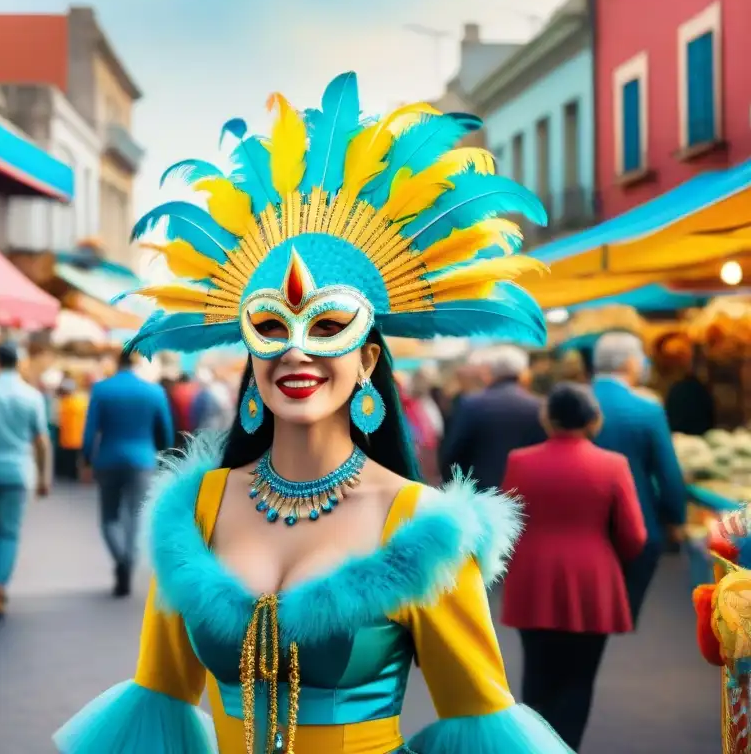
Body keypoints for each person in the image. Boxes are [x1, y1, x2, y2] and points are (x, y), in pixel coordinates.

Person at [52, 73, 570, 753]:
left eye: (327, 328)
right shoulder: (196, 509)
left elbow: (481, 723)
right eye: (271, 326)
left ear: (368, 365)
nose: (297, 351)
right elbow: (158, 698)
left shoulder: (421, 529)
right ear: (249, 353)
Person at [500, 383, 647, 750]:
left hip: (533, 579)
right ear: (592, 419)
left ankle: (537, 745)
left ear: (548, 419)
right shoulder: (613, 465)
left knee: (537, 676)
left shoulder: (520, 460)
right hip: (593, 580)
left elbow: (506, 521)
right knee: (579, 679)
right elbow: (635, 535)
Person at [591, 332, 687, 626]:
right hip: (636, 518)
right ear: (631, 362)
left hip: (577, 521)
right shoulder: (647, 409)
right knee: (622, 605)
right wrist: (675, 518)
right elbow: (667, 471)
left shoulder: (568, 405)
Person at [0, 341, 52, 619]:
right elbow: (41, 441)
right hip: (18, 472)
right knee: (8, 531)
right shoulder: (32, 396)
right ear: (18, 362)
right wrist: (43, 476)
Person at [83, 350, 174, 597]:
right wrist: (164, 457)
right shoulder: (154, 391)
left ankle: (120, 558)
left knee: (109, 518)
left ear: (116, 362)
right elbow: (165, 431)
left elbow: (90, 430)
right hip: (142, 461)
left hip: (108, 460)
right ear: (136, 362)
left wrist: (86, 458)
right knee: (136, 515)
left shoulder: (101, 390)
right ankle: (130, 560)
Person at [440, 345, 545, 490]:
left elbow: (454, 453)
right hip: (527, 493)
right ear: (523, 372)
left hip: (483, 495)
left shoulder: (471, 404)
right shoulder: (539, 407)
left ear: (489, 373)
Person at [57, 377, 89, 481]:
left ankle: (69, 474)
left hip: (67, 438)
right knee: (75, 458)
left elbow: (58, 420)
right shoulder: (82, 401)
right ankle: (74, 474)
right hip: (78, 437)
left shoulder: (65, 403)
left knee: (69, 458)